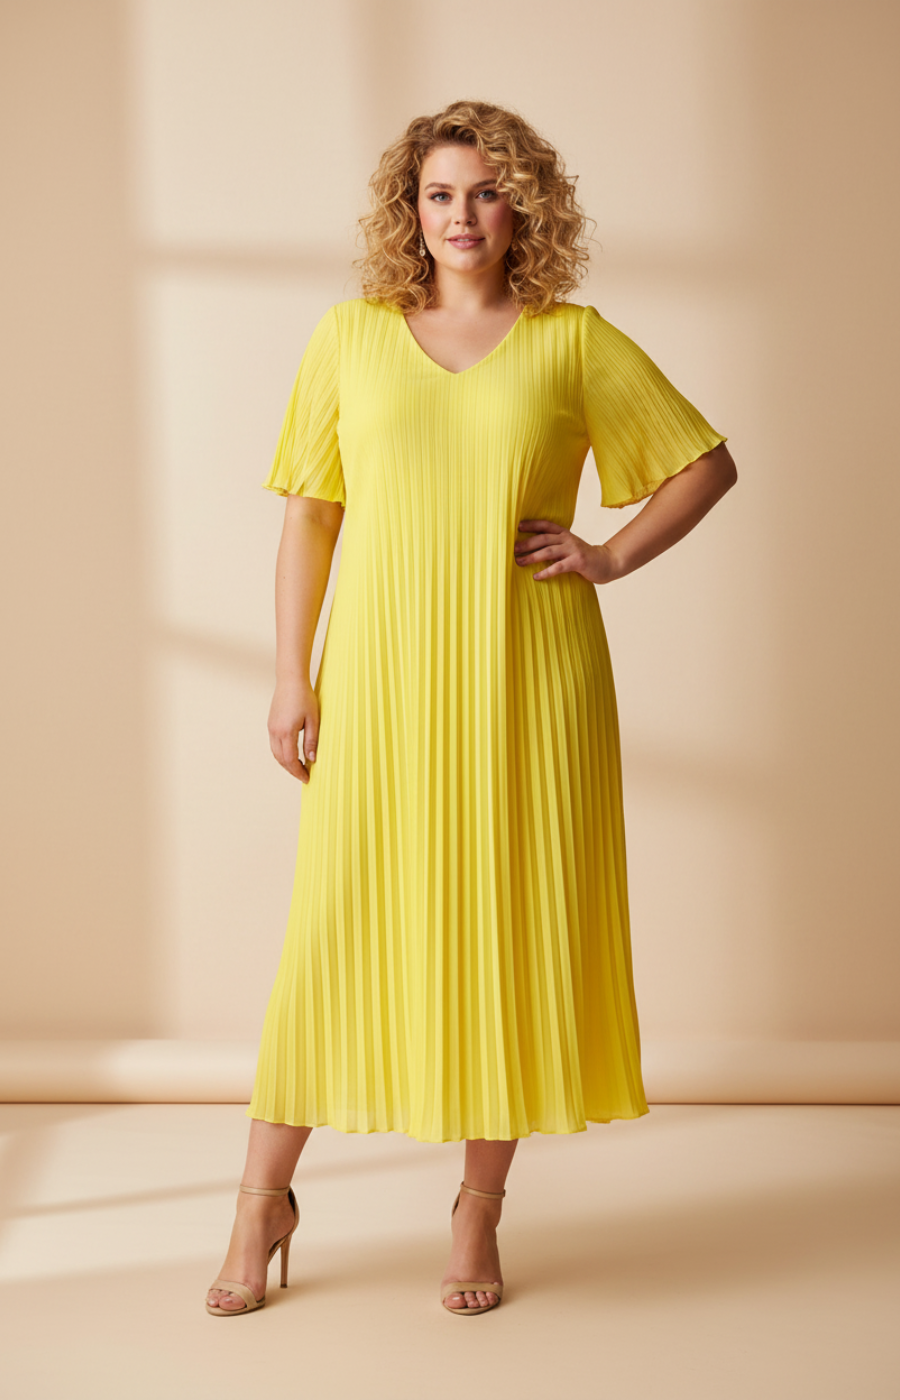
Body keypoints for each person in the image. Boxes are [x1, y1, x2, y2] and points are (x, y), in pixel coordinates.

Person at [205, 99, 737, 1319]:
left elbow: (705, 463)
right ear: (410, 209)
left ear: (524, 207)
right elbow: (311, 514)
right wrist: (293, 673)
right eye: (440, 194)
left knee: (506, 928)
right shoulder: (347, 336)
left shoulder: (572, 339)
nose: (462, 216)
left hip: (531, 673)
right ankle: (259, 1201)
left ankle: (478, 1211)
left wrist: (609, 556)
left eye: (487, 193)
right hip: (383, 676)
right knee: (334, 930)